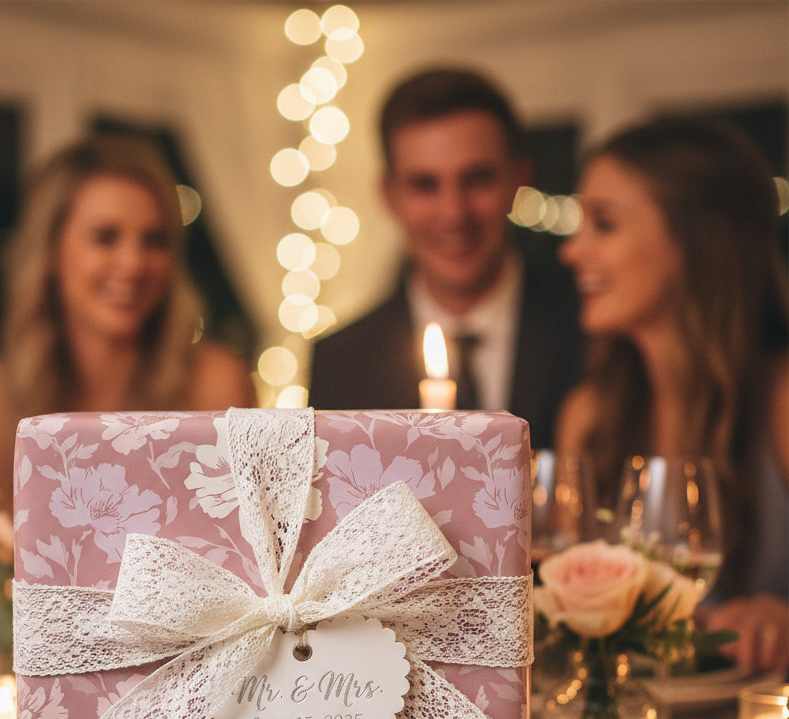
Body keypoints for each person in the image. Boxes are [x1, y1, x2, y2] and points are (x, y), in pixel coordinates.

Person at [555, 115, 789, 674]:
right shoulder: (587, 414)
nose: (571, 252)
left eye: (604, 224)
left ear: (697, 242)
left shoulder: (780, 399)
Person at [0, 132, 255, 503]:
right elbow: (12, 552)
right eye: (105, 237)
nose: (133, 264)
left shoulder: (217, 384)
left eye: (153, 241)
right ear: (50, 251)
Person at [308, 66, 584, 449]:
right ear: (390, 195)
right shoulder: (342, 359)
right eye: (425, 184)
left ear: (518, 178)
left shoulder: (588, 334)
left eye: (477, 179)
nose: (454, 214)